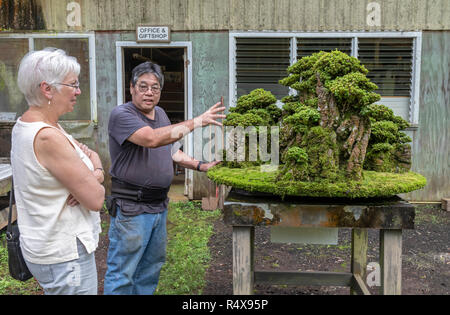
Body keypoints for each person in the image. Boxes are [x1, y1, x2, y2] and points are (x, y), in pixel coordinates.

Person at [104, 61, 226, 295]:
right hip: (132, 208)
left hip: (159, 205)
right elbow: (152, 139)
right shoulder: (122, 115)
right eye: (143, 86)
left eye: (155, 87)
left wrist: (201, 165)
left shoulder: (160, 113)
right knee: (122, 273)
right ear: (131, 88)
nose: (149, 92)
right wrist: (198, 121)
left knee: (150, 269)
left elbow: (170, 150)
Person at [10, 48, 105, 295]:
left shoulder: (34, 125)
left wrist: (94, 173)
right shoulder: (48, 137)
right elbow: (95, 198)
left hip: (47, 248)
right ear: (47, 89)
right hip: (64, 256)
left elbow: (90, 156)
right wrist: (95, 175)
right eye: (72, 84)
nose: (78, 91)